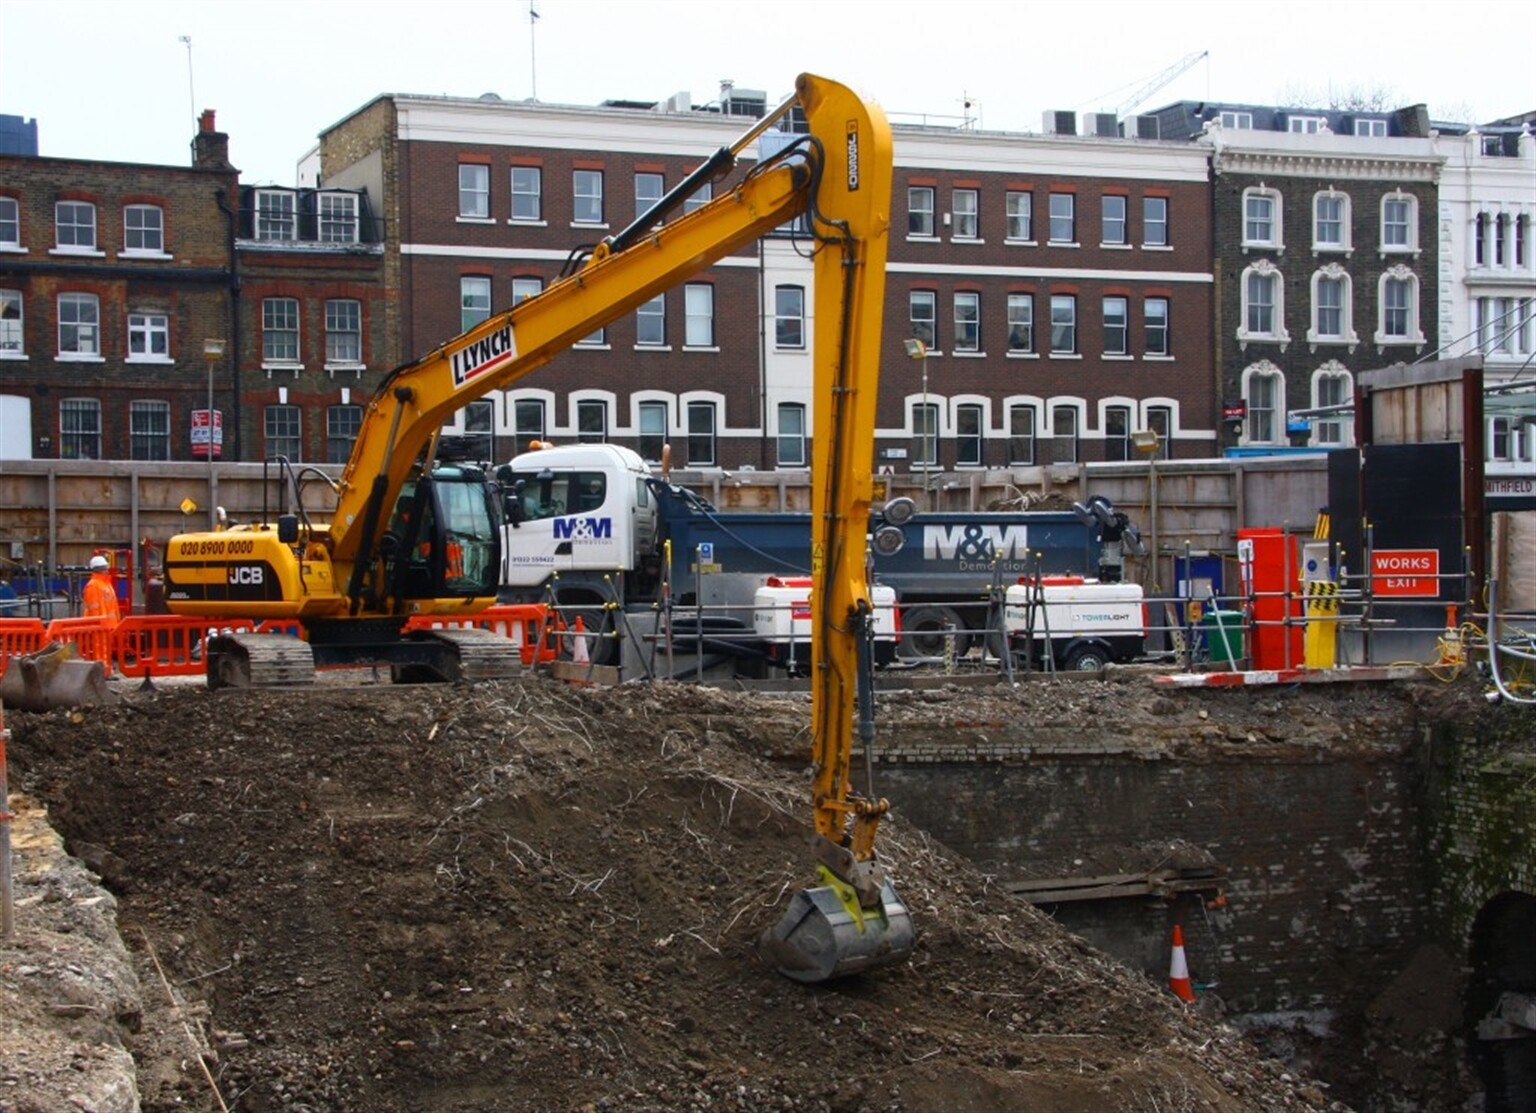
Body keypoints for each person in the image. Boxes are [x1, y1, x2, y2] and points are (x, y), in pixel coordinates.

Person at [81, 554, 122, 626]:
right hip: (101, 630)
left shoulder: (106, 583)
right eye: (105, 568)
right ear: (99, 569)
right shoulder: (93, 586)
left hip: (111, 627)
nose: (107, 570)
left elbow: (114, 607)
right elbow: (94, 611)